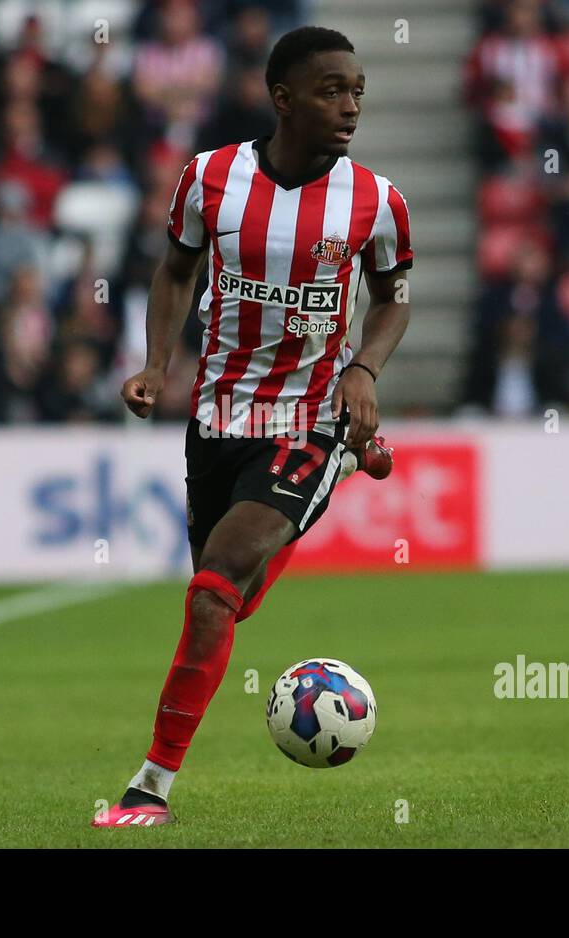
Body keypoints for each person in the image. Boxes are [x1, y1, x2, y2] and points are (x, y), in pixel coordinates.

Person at [96, 26, 410, 827]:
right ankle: (324, 486)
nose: (350, 107)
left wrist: (362, 370)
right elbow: (175, 271)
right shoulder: (209, 179)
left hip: (311, 418)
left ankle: (149, 789)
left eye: (358, 92)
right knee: (221, 595)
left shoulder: (376, 201)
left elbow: (393, 300)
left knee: (212, 591)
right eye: (332, 90)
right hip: (216, 418)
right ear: (283, 99)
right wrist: (156, 363)